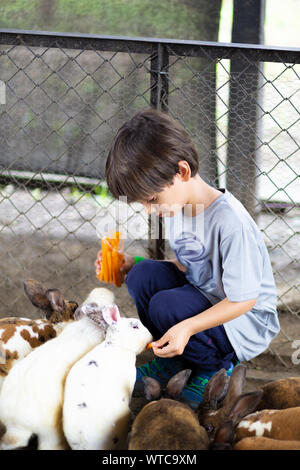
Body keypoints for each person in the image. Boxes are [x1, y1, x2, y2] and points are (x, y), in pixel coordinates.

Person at [100, 108, 280, 409]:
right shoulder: (176, 208)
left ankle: (212, 369)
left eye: (151, 199)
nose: (148, 209)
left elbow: (244, 299)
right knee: (143, 277)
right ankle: (177, 361)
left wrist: (188, 326)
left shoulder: (229, 222)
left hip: (243, 319)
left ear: (181, 172)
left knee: (167, 306)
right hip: (209, 298)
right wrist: (131, 264)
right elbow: (190, 267)